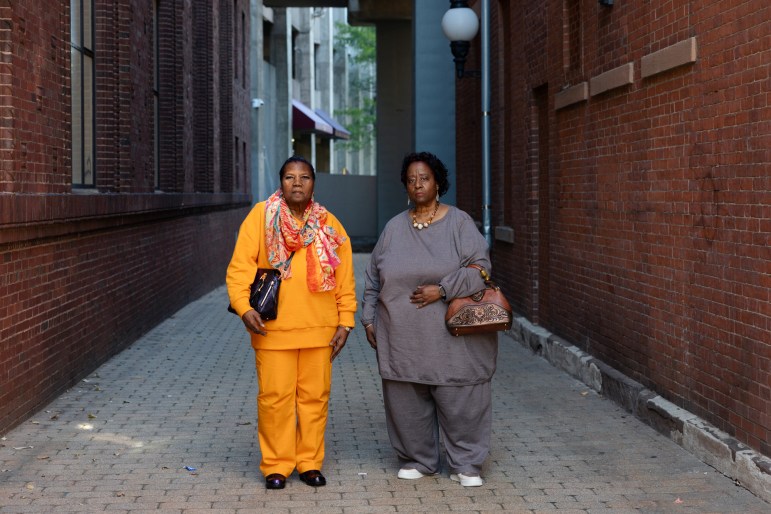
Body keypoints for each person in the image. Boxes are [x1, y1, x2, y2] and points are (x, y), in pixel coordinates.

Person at [360, 151, 498, 487]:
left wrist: (443, 289)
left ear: (438, 183)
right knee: (406, 398)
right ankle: (418, 459)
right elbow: (373, 279)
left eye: (424, 178)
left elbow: (481, 268)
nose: (417, 184)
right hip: (401, 337)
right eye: (411, 180)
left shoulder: (459, 223)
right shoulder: (394, 228)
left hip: (452, 338)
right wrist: (368, 320)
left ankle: (467, 462)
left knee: (460, 397)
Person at [226, 156, 356, 490]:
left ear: (314, 183)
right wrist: (243, 307)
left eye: (304, 177)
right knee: (275, 400)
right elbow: (240, 267)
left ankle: (309, 462)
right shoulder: (260, 216)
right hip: (272, 330)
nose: (297, 183)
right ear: (281, 182)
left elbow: (345, 277)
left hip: (319, 329)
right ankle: (277, 465)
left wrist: (345, 322)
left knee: (314, 399)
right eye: (289, 177)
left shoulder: (329, 223)